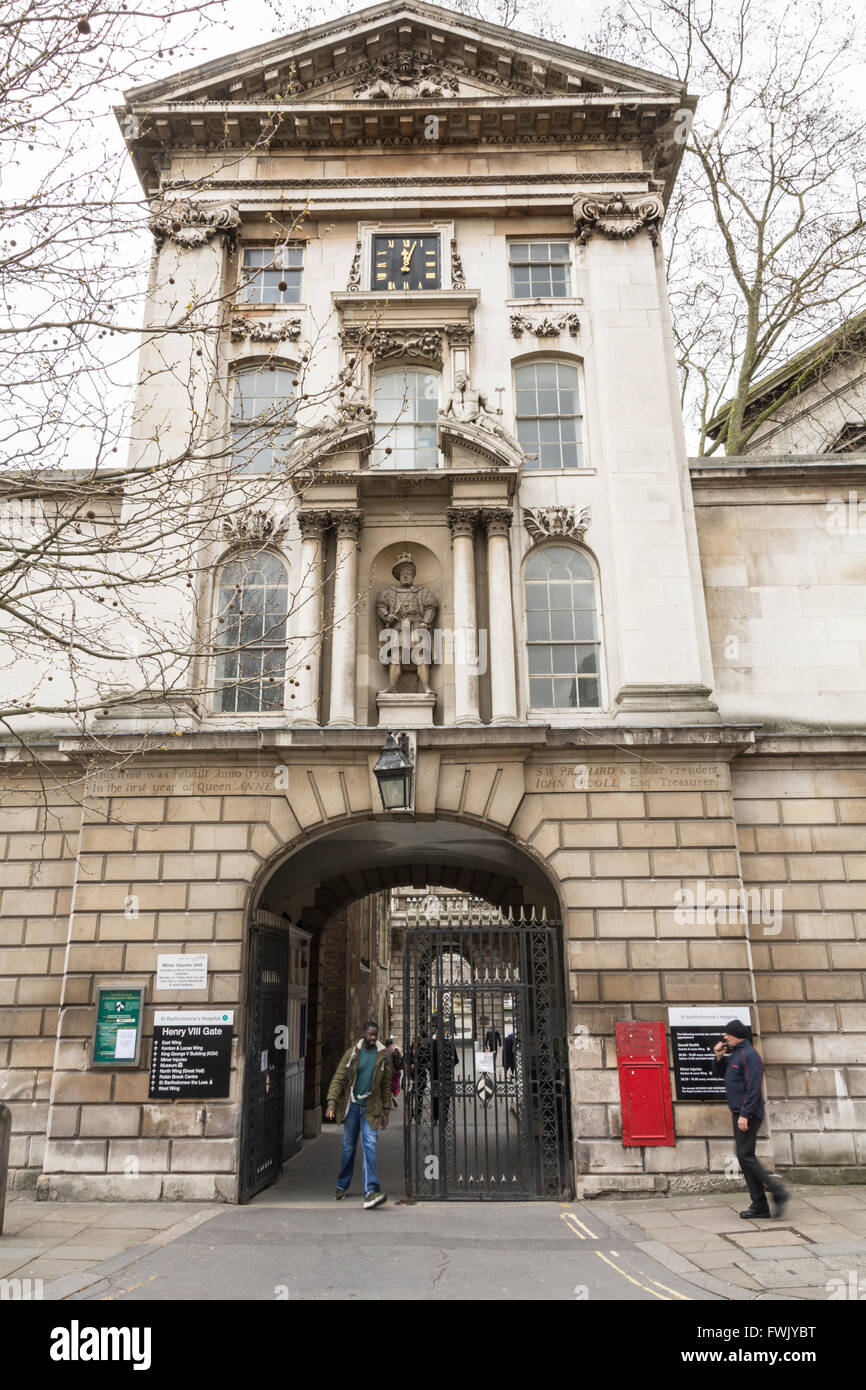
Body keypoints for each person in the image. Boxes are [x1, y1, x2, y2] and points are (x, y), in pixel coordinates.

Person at [712, 1020, 789, 1220]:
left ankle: (777, 1192)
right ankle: (760, 1204)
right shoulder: (736, 1054)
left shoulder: (750, 1055)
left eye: (728, 1034)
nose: (725, 1037)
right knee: (744, 1156)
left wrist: (745, 1114)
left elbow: (754, 1087)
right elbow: (724, 1076)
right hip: (739, 1112)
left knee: (745, 1156)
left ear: (736, 1035)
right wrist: (718, 1057)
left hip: (748, 1113)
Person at [325, 1020, 392, 1208]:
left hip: (372, 1109)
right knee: (348, 1147)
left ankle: (370, 1191)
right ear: (363, 1033)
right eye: (370, 1034)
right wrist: (331, 1101)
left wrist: (386, 1110)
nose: (373, 1038)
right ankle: (342, 1185)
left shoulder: (383, 1056)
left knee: (369, 1145)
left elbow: (386, 1085)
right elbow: (339, 1077)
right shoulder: (353, 1053)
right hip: (353, 1108)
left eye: (375, 1035)